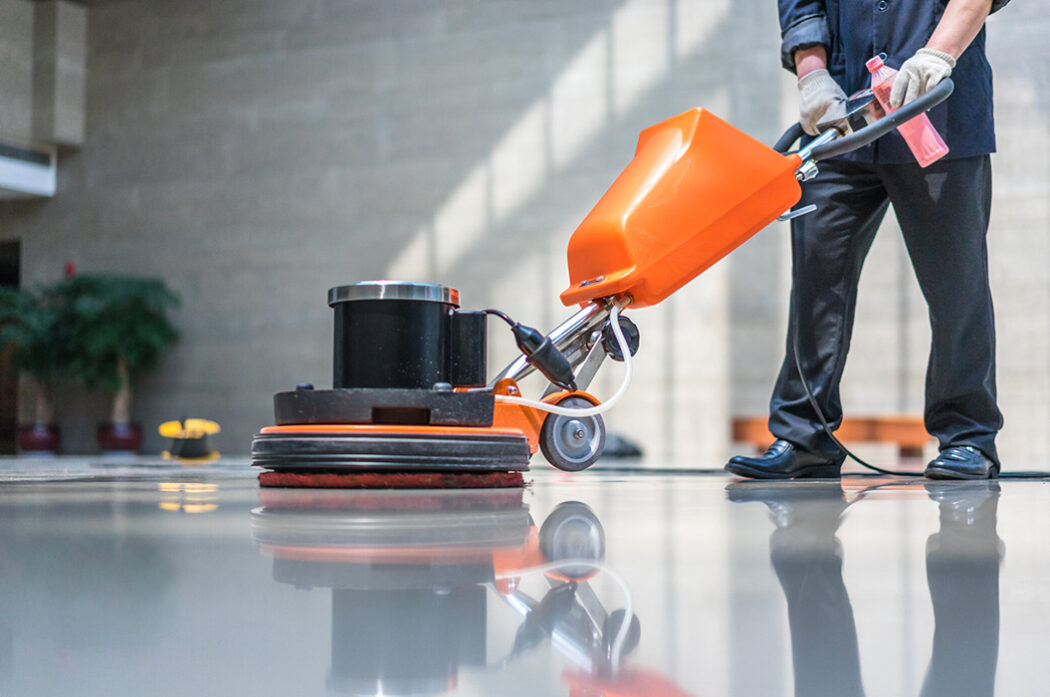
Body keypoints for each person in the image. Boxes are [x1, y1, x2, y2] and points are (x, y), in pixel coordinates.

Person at [727, 0, 1011, 480]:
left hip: (937, 108)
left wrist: (938, 53)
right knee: (817, 281)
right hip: (844, 115)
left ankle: (968, 439)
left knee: (956, 287)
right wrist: (811, 74)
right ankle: (805, 436)